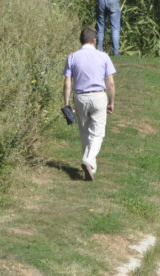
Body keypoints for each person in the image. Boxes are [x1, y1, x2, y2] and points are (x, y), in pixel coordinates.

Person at [63, 27, 116, 182]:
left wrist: (66, 104)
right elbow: (110, 82)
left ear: (81, 40)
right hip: (98, 96)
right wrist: (111, 101)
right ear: (94, 40)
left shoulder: (72, 57)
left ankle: (91, 166)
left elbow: (67, 83)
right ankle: (88, 160)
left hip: (80, 97)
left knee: (85, 132)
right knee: (98, 133)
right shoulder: (103, 56)